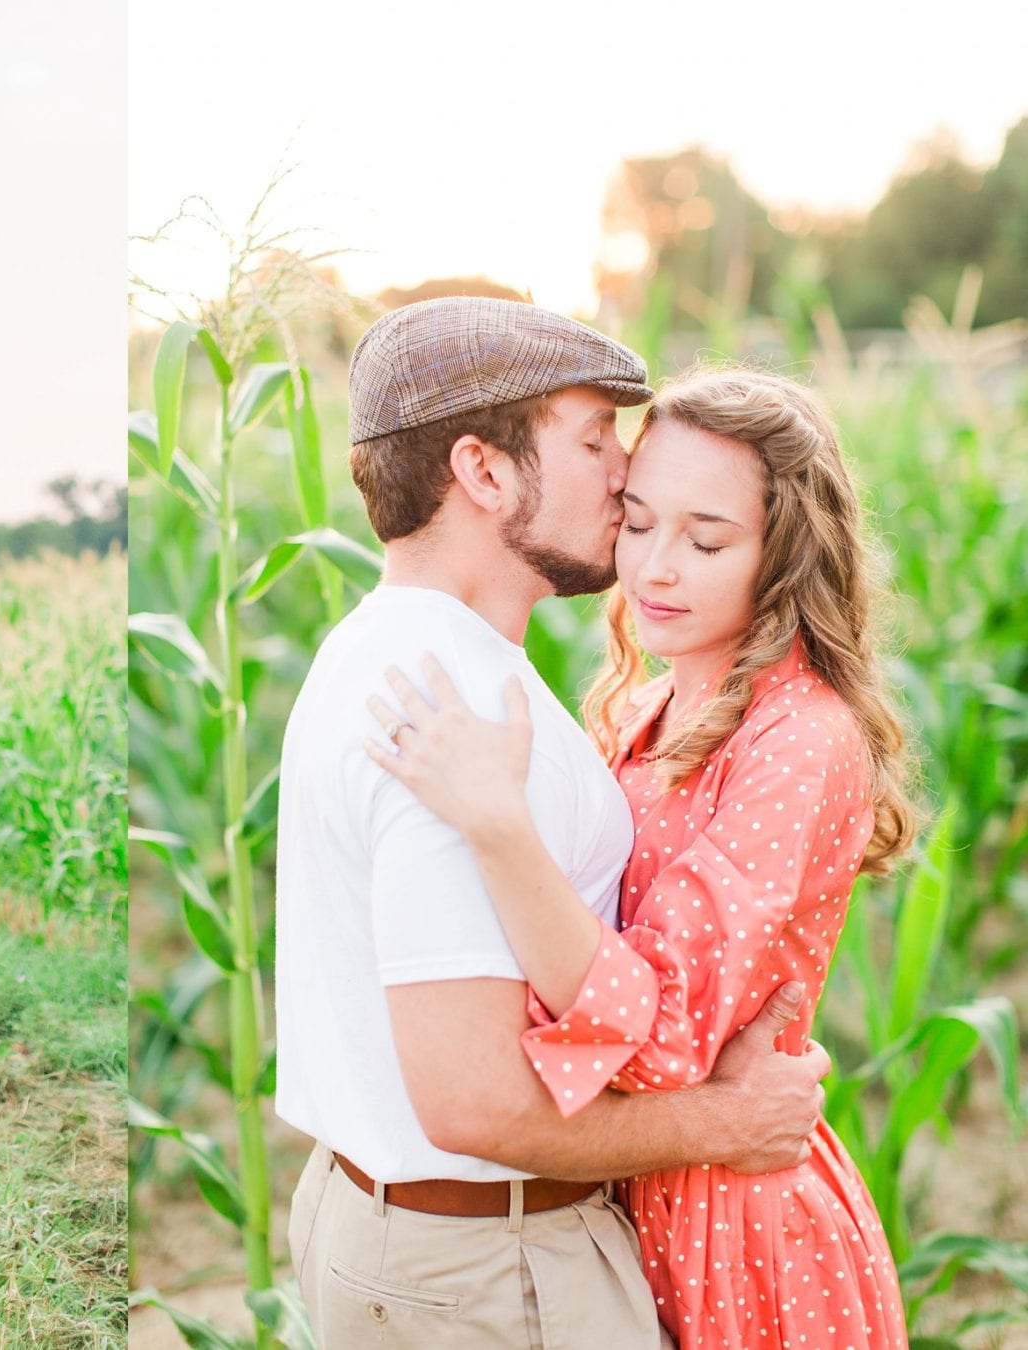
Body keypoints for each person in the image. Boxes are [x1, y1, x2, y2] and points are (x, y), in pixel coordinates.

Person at [275, 298, 831, 1348]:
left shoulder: (383, 650)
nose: (623, 474)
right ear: (485, 472)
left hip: (412, 1242)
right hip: (486, 1272)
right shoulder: (456, 714)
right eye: (590, 442)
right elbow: (474, 1105)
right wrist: (734, 1122)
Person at [364, 366, 913, 1347]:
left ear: (785, 553)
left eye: (706, 540)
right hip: (631, 1195)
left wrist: (498, 828)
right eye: (640, 519)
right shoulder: (640, 705)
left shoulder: (800, 740)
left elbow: (659, 1042)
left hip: (735, 1227)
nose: (655, 567)